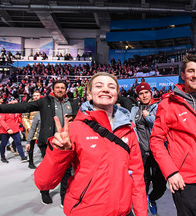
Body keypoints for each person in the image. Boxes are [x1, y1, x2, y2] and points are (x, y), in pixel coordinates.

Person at [35, 72, 147, 216]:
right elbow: (44, 183)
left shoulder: (128, 130)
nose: (105, 89)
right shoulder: (75, 128)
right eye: (99, 86)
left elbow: (137, 177)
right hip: (86, 211)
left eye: (111, 86)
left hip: (123, 211)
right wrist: (58, 152)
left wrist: (141, 213)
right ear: (89, 94)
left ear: (117, 93)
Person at [0, 80, 79, 206]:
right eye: (57, 87)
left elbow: (79, 119)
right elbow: (23, 107)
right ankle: (44, 191)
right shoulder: (44, 101)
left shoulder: (73, 103)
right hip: (49, 143)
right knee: (49, 171)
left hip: (66, 144)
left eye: (62, 88)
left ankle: (64, 196)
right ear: (53, 89)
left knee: (66, 170)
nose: (60, 90)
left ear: (66, 90)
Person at [150, 54, 196, 216]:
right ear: (183, 75)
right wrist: (171, 172)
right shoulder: (168, 104)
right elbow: (156, 141)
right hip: (182, 178)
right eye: (191, 71)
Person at [130, 82, 166, 215]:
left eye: (146, 92)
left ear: (151, 93)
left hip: (157, 152)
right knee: (142, 183)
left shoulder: (159, 107)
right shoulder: (134, 110)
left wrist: (148, 117)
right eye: (141, 93)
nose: (144, 95)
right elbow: (131, 126)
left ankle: (152, 198)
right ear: (138, 96)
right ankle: (142, 207)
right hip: (141, 153)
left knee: (161, 185)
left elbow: (163, 125)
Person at [0, 98, 27, 163]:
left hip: (15, 129)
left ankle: (23, 156)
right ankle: (2, 157)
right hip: (5, 130)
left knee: (18, 143)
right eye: (14, 103)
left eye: (16, 103)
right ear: (9, 103)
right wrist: (7, 128)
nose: (15, 104)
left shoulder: (16, 109)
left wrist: (25, 126)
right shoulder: (4, 109)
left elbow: (19, 119)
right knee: (3, 143)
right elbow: (1, 120)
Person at [22, 91, 41, 169]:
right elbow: (24, 117)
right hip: (31, 128)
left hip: (40, 127)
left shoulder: (42, 104)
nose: (36, 97)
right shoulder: (28, 105)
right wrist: (28, 127)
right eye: (35, 95)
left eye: (37, 95)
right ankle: (30, 162)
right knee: (30, 146)